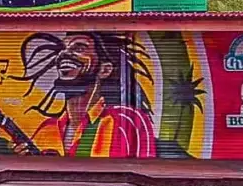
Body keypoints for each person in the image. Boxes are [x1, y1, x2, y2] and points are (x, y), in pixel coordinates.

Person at [15, 32, 156, 158]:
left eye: (80, 48)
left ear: (105, 70)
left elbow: (148, 174)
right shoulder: (46, 129)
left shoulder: (129, 120)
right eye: (61, 49)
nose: (63, 54)